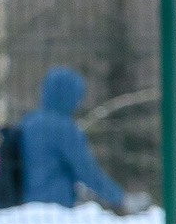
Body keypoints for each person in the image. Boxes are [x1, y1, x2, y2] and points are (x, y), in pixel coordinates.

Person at [16, 67, 133, 209]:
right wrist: (119, 197)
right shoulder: (64, 127)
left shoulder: (28, 121)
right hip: (54, 206)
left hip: (23, 206)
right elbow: (86, 170)